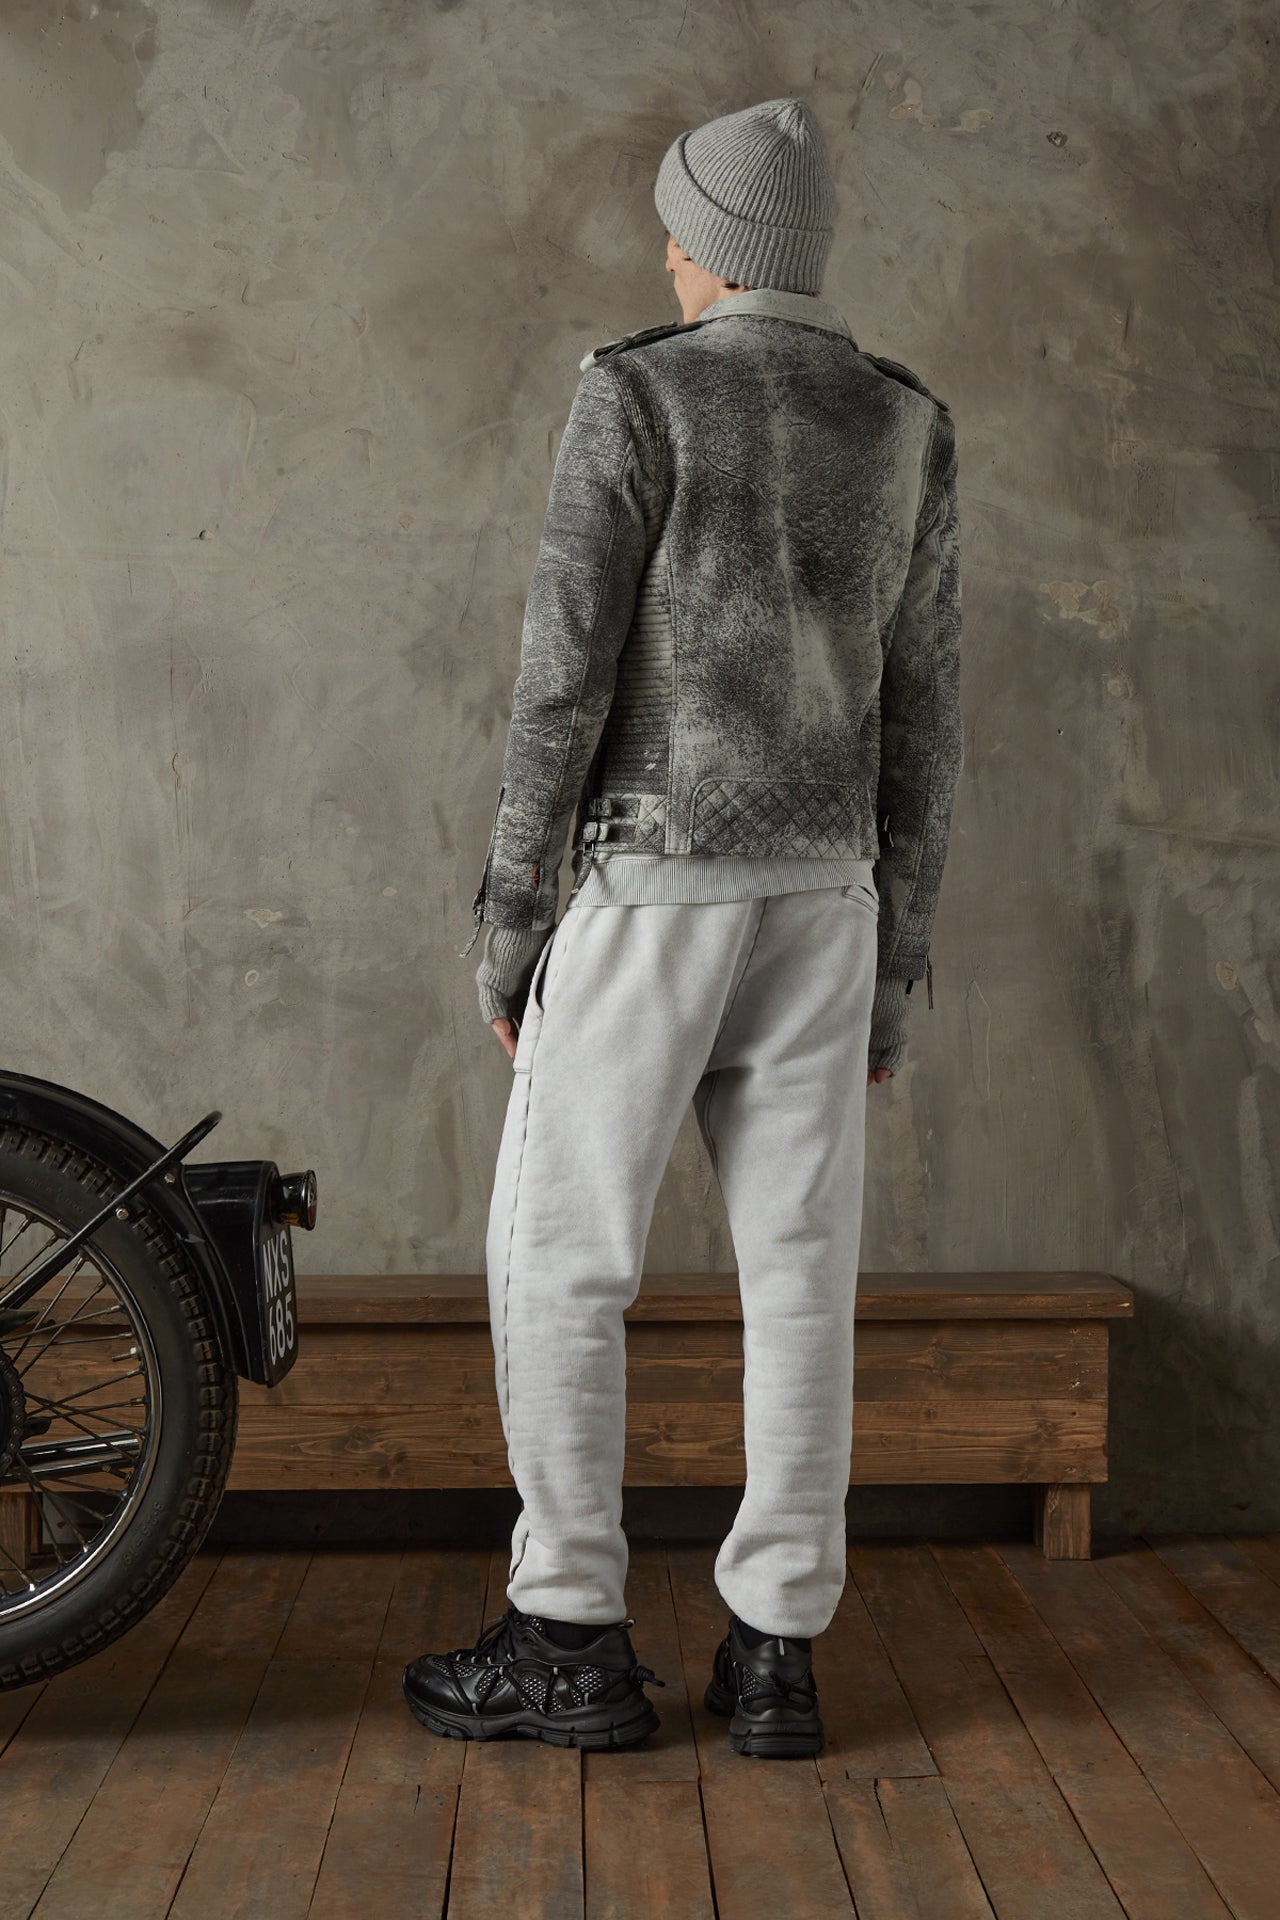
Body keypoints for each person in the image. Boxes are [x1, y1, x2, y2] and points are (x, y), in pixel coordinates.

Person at [403, 96, 963, 1758]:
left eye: (677, 230)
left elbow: (560, 680)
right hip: (829, 895)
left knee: (563, 1259)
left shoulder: (639, 391)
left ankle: (568, 1630)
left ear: (715, 244)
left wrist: (512, 922)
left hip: (653, 881)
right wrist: (897, 971)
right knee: (800, 1280)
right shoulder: (905, 420)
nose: (664, 256)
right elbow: (928, 720)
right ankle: (777, 1652)